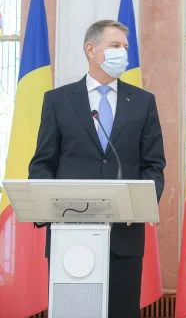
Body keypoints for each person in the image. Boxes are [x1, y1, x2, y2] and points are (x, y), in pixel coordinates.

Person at [29, 19, 165, 317]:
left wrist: (139, 207)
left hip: (124, 236)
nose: (123, 53)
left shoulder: (142, 102)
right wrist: (47, 210)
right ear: (90, 49)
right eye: (115, 45)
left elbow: (154, 165)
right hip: (69, 236)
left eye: (125, 47)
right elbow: (42, 164)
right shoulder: (58, 101)